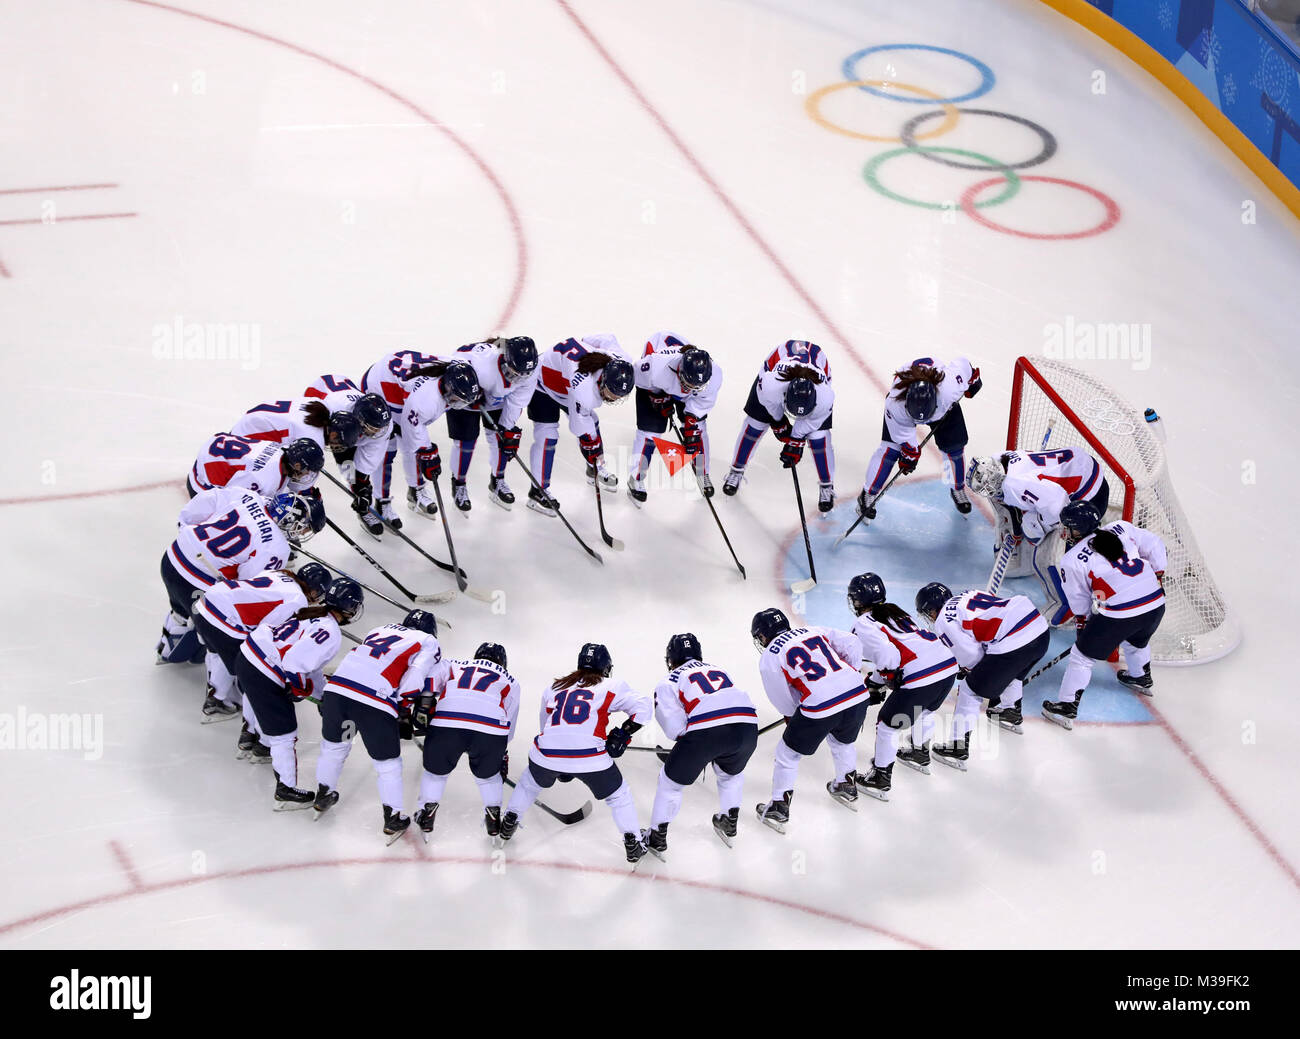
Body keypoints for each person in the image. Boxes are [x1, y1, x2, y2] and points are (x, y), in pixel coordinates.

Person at [499, 643, 651, 863]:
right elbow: (644, 708)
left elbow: (545, 725)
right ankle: (633, 842)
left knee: (529, 782)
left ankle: (509, 820)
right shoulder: (611, 684)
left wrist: (560, 761)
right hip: (591, 757)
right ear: (606, 666)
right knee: (619, 795)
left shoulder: (555, 687)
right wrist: (623, 734)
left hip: (547, 754)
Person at [314, 609, 448, 840]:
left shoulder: (380, 629)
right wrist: (404, 707)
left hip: (338, 691)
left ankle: (323, 794)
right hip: (373, 701)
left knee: (336, 747)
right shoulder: (428, 640)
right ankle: (393, 818)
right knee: (387, 765)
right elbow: (416, 674)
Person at [236, 577, 363, 809]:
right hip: (264, 669)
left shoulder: (313, 612)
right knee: (285, 734)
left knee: (260, 702)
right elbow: (295, 665)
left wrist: (322, 694)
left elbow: (309, 666)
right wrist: (300, 689)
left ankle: (253, 740)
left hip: (248, 655)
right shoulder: (330, 633)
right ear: (350, 608)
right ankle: (285, 790)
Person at [1042, 501, 1167, 729]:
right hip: (1156, 603)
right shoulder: (1121, 527)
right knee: (1137, 640)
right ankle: (1140, 676)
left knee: (1082, 656)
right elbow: (1154, 544)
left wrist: (1083, 622)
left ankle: (1066, 707)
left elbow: (1078, 600)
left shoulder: (1071, 560)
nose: (1063, 530)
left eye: (1067, 526)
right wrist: (1157, 573)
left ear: (1076, 530)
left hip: (1123, 615)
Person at [156, 487, 313, 666]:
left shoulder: (247, 495)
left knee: (181, 608)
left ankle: (166, 647)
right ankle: (216, 686)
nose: (301, 532)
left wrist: (185, 524)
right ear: (290, 520)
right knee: (213, 630)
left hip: (171, 556)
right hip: (195, 582)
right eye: (302, 526)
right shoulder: (277, 548)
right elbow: (249, 585)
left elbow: (209, 498)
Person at [750, 607, 869, 830]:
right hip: (857, 693)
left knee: (787, 754)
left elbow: (780, 696)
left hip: (821, 704)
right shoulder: (812, 630)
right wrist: (848, 674)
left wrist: (792, 714)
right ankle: (846, 784)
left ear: (763, 635)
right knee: (843, 741)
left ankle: (778, 808)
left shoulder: (769, 655)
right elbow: (852, 642)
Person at [846, 573, 959, 801]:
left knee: (887, 726)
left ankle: (880, 778)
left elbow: (889, 657)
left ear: (857, 601)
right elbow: (899, 650)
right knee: (925, 711)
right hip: (947, 666)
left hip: (921, 675)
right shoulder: (896, 611)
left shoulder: (862, 623)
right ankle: (918, 752)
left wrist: (886, 678)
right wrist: (878, 681)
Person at [914, 581, 1050, 768]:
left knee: (970, 689)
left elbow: (972, 657)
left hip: (1015, 643)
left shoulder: (943, 620)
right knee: (1013, 671)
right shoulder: (968, 593)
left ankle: (957, 747)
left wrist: (971, 671)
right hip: (1039, 629)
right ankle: (1010, 710)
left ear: (931, 610)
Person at [968, 447, 1110, 623]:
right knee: (1003, 498)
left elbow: (1057, 505)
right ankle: (1021, 551)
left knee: (1044, 558)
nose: (987, 491)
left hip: (1088, 496)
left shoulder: (1016, 484)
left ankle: (1064, 605)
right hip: (1083, 468)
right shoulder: (998, 460)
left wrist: (1034, 529)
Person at [646, 633, 758, 854]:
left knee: (670, 783)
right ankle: (728, 820)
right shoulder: (719, 670)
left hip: (706, 735)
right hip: (747, 726)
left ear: (670, 658)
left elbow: (674, 728)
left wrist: (698, 749)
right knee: (730, 775)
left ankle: (656, 837)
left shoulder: (668, 681)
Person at [191, 563, 333, 724]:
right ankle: (216, 704)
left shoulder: (277, 573)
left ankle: (216, 692)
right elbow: (266, 633)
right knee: (245, 663)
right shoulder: (297, 600)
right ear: (314, 591)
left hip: (203, 604)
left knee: (217, 652)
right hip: (224, 622)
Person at [412, 641, 521, 841]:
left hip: (447, 723)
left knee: (436, 773)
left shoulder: (454, 663)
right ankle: (493, 816)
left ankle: (427, 813)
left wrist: (424, 704)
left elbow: (429, 680)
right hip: (490, 729)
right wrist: (501, 751)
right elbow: (509, 721)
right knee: (488, 777)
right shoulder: (510, 680)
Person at [857, 356, 981, 519]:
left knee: (954, 449)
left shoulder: (949, 387)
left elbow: (964, 364)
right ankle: (867, 494)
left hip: (942, 408)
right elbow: (909, 446)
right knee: (891, 451)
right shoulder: (895, 404)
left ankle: (957, 489)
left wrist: (974, 380)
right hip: (904, 415)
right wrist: (910, 455)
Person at [525, 335, 635, 515]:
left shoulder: (622, 362)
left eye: (619, 396)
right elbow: (579, 425)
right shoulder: (584, 389)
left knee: (593, 422)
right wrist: (591, 446)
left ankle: (594, 469)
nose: (614, 398)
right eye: (611, 393)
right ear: (603, 379)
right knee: (547, 437)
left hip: (564, 382)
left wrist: (585, 340)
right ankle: (538, 491)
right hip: (542, 384)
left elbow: (608, 338)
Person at [724, 343, 836, 511]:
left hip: (815, 375)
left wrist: (795, 442)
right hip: (773, 371)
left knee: (819, 438)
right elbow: (771, 408)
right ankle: (736, 471)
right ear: (785, 396)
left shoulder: (825, 397)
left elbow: (810, 424)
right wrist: (779, 423)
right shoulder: (770, 385)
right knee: (755, 425)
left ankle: (827, 486)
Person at [440, 337, 540, 511]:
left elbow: (517, 402)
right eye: (515, 372)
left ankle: (497, 481)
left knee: (502, 439)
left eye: (524, 374)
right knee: (466, 443)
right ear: (505, 359)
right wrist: (470, 394)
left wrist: (506, 428)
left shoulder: (530, 371)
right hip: (468, 394)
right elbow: (452, 373)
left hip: (499, 399)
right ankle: (459, 483)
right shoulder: (481, 366)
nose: (519, 378)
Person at [627, 333, 721, 504]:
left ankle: (703, 472)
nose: (693, 387)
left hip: (681, 390)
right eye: (690, 383)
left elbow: (700, 404)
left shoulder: (714, 375)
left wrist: (691, 425)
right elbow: (638, 379)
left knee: (698, 429)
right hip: (654, 385)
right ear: (680, 370)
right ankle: (636, 478)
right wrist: (656, 398)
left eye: (697, 385)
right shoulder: (655, 367)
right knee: (650, 431)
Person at [395, 361, 484, 519]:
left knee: (421, 450)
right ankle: (415, 490)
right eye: (459, 398)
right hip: (387, 389)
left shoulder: (453, 373)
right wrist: (426, 454)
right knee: (408, 446)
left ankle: (416, 488)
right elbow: (412, 430)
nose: (461, 404)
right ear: (448, 388)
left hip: (406, 382)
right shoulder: (425, 401)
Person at [187, 434, 324, 499]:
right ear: (297, 465)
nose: (307, 475)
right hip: (201, 480)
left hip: (218, 447)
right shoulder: (263, 478)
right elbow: (231, 502)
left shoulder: (285, 449)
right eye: (307, 470)